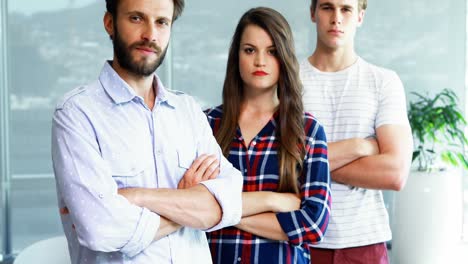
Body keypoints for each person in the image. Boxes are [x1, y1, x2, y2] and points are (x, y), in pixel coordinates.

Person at [51, 0, 243, 263]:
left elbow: (229, 204)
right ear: (110, 23)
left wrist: (138, 196)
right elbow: (100, 229)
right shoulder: (77, 113)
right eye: (137, 18)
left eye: (162, 22)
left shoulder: (187, 110)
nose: (150, 34)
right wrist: (186, 204)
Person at [204, 7, 331, 264]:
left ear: (284, 57)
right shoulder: (206, 124)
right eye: (249, 50)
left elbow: (313, 224)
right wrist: (272, 201)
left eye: (271, 52)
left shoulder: (307, 130)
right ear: (236, 57)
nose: (260, 61)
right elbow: (187, 207)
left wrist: (221, 213)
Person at [300, 0, 413, 263]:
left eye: (346, 9)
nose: (336, 18)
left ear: (360, 16)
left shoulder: (383, 81)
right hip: (301, 237)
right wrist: (360, 147)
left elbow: (395, 173)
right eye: (327, 7)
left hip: (365, 243)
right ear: (313, 13)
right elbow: (278, 163)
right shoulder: (288, 81)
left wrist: (305, 167)